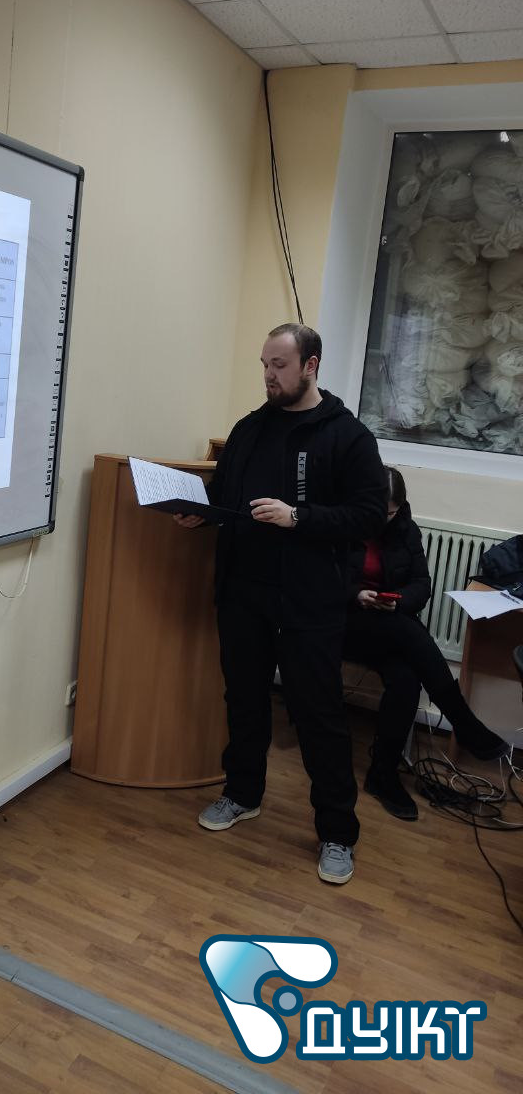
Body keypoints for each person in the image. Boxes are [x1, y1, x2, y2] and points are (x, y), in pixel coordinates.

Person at [176, 323, 386, 885]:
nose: (269, 376)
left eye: (280, 366)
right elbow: (226, 496)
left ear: (311, 366)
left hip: (309, 602)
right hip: (243, 594)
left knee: (318, 715)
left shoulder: (348, 437)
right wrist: (201, 513)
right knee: (244, 700)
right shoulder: (249, 428)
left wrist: (300, 518)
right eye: (265, 365)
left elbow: (368, 514)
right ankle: (243, 794)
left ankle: (337, 832)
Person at [345, 466, 507, 820]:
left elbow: (422, 585)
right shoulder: (344, 523)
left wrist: (398, 601)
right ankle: (464, 722)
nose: (383, 519)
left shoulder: (406, 529)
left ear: (400, 508)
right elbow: (324, 579)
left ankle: (382, 774)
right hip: (345, 623)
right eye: (377, 511)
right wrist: (357, 594)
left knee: (406, 679)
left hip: (389, 625)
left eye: (390, 512)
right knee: (407, 632)